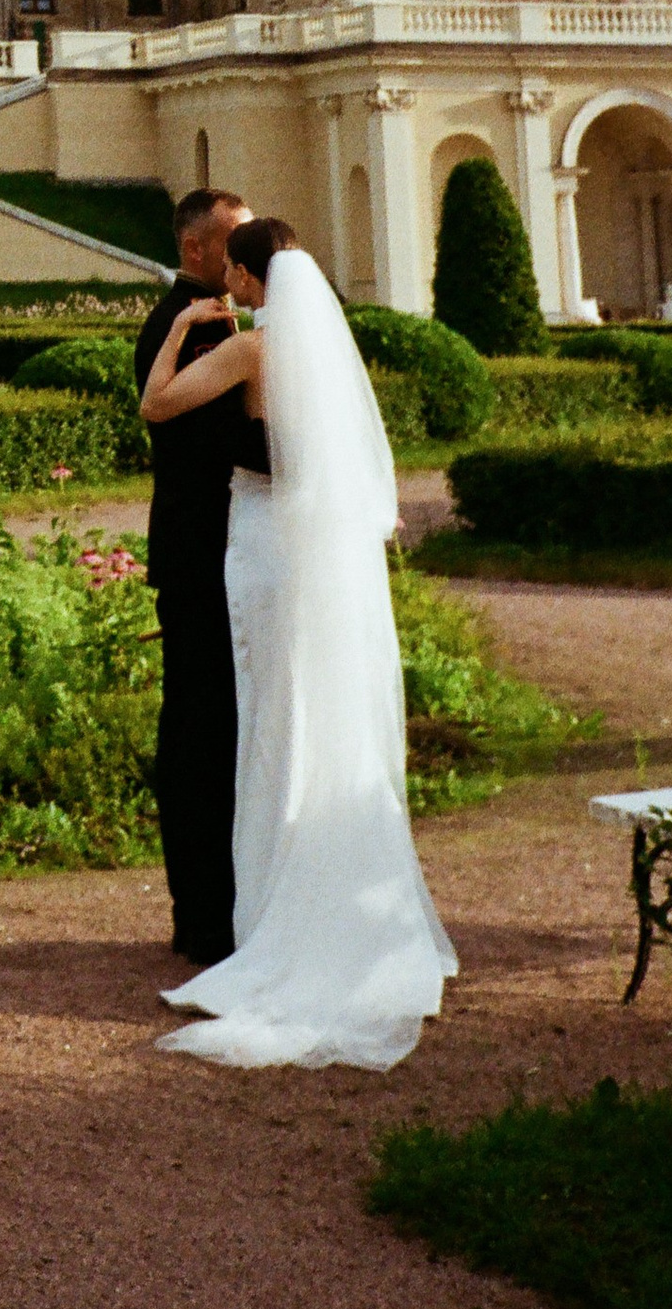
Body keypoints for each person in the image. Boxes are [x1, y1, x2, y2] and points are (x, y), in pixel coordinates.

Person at [142, 217, 458, 1070]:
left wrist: (176, 328)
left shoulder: (254, 348)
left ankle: (275, 917)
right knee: (321, 714)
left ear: (247, 278)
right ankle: (350, 905)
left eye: (236, 277)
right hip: (317, 549)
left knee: (274, 718)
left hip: (264, 548)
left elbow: (156, 403)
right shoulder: (326, 350)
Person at [134, 185, 260, 967]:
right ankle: (203, 916)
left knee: (213, 730)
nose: (244, 258)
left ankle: (214, 907)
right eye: (234, 244)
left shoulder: (217, 323)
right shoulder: (186, 327)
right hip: (200, 556)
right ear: (196, 251)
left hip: (215, 552)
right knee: (201, 735)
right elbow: (217, 445)